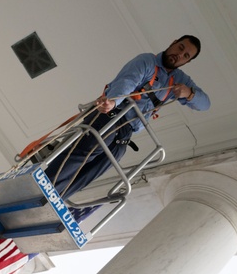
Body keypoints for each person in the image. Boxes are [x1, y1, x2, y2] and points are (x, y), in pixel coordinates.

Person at [45, 35, 211, 201]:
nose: (179, 55)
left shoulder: (180, 80)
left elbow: (205, 104)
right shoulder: (147, 61)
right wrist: (112, 101)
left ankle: (56, 198)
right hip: (110, 115)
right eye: (180, 48)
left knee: (97, 169)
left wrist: (189, 93)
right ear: (173, 43)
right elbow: (128, 81)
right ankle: (45, 189)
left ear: (187, 63)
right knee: (85, 152)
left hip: (125, 133)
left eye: (186, 56)